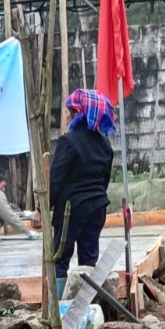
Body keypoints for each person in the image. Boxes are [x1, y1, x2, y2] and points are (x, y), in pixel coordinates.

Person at [49, 90, 116, 297]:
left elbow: (56, 180)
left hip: (71, 210)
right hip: (97, 209)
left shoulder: (68, 141)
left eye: (67, 112)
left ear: (77, 113)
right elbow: (104, 180)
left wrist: (42, 209)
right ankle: (86, 305)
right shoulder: (105, 144)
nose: (65, 116)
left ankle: (57, 307)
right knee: (88, 260)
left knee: (59, 259)